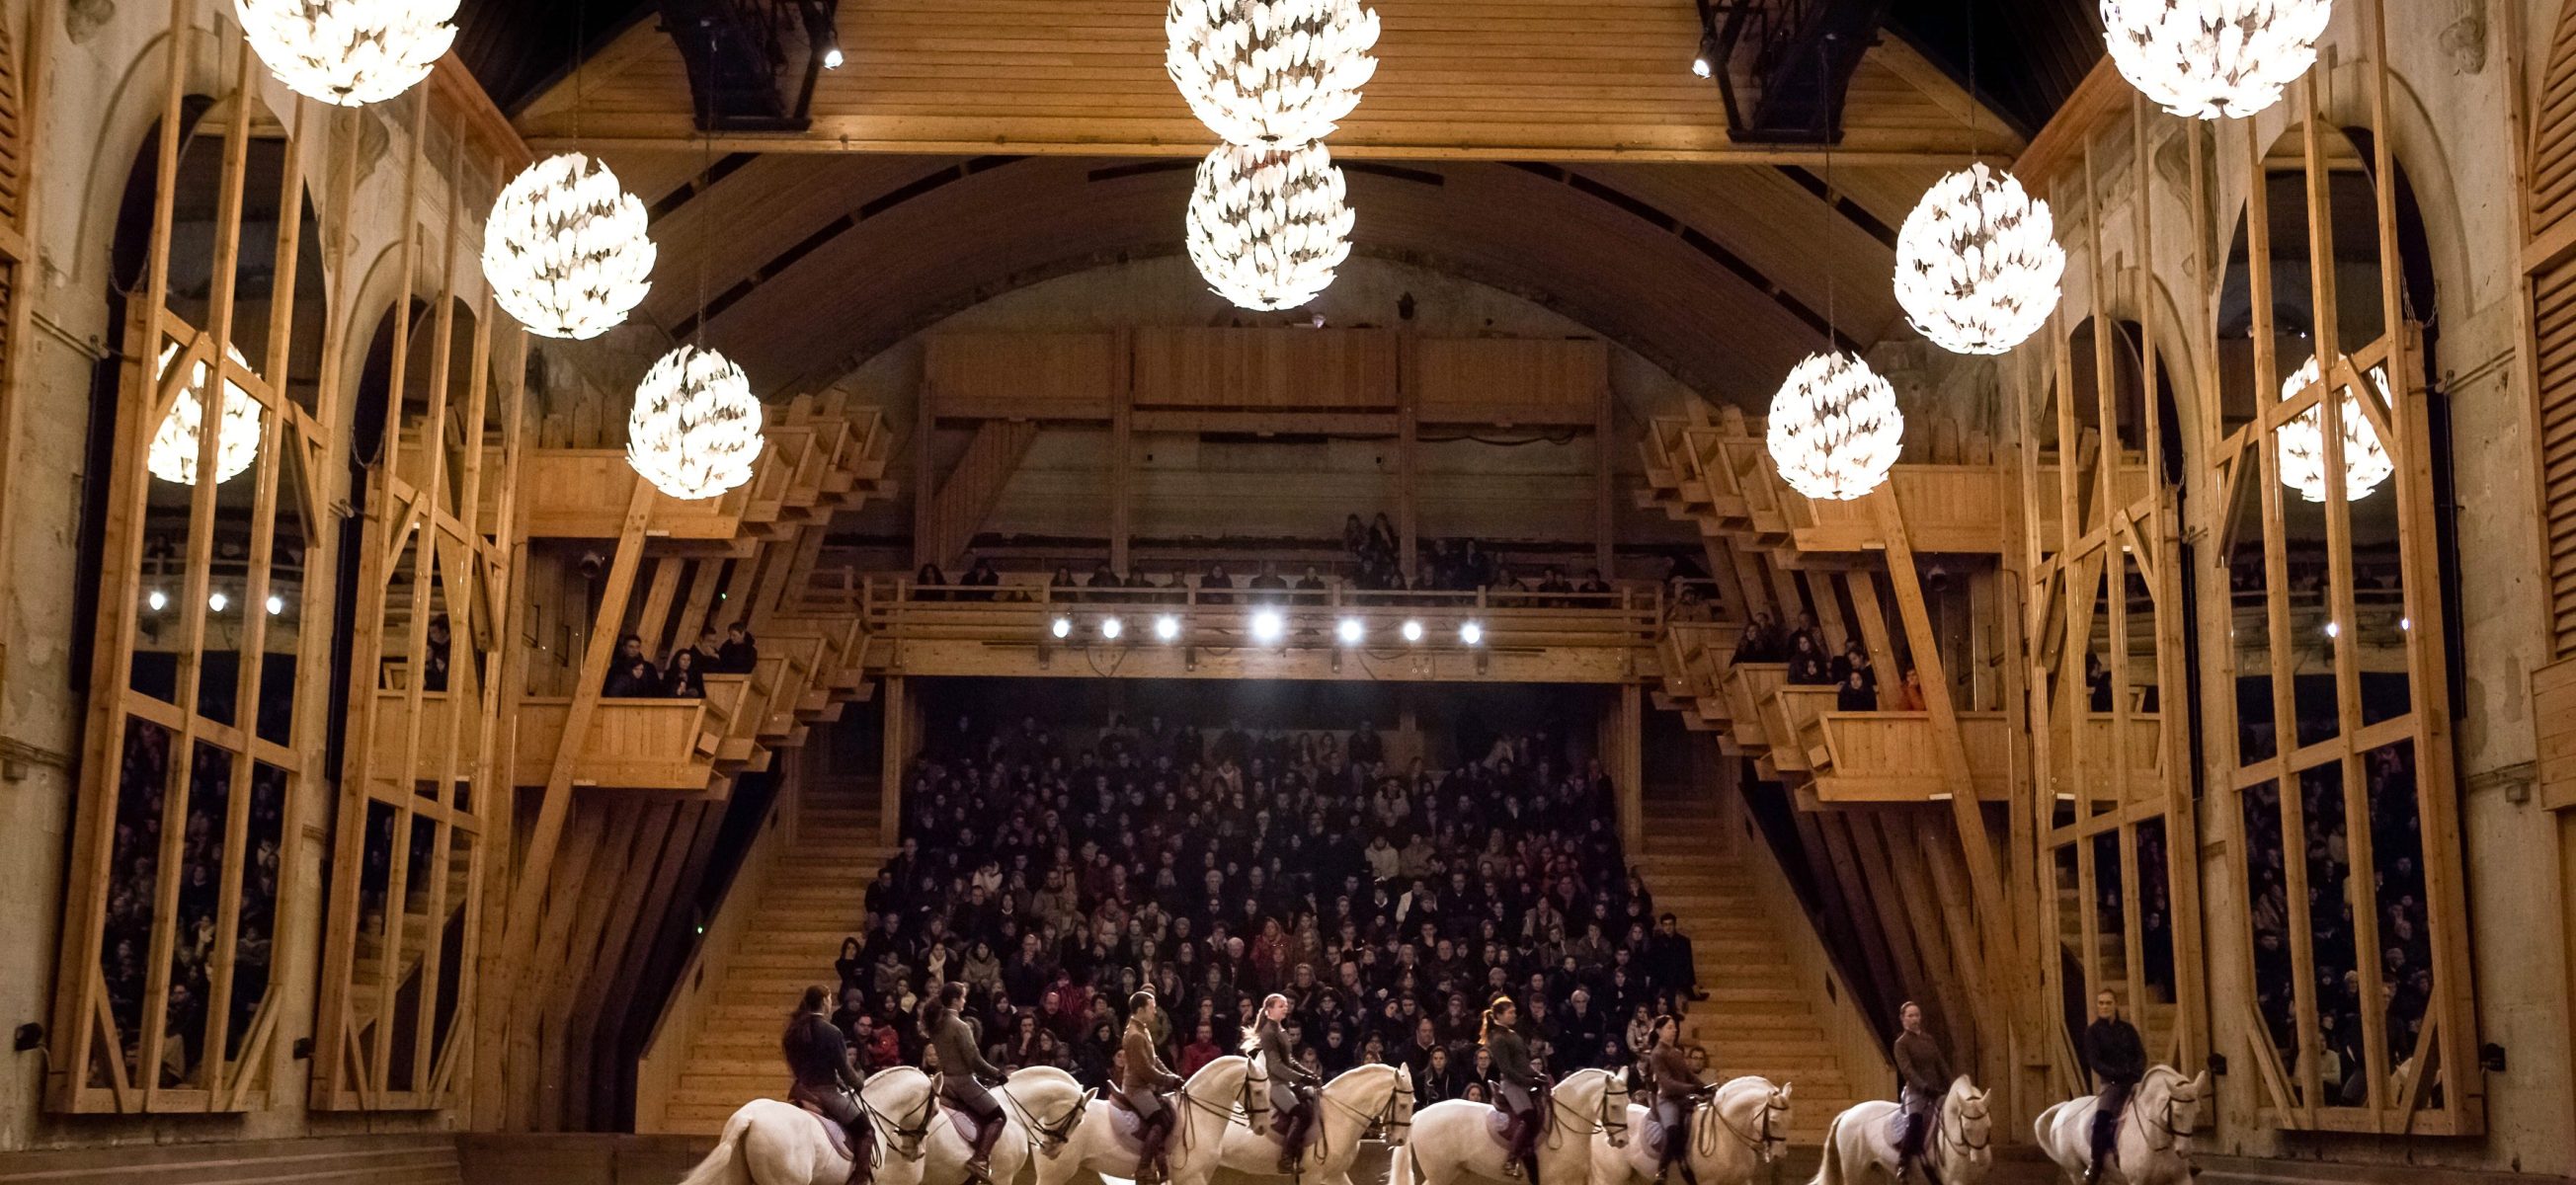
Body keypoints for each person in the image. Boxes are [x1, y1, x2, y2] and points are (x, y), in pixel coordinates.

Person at [783, 985, 875, 1185]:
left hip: (800, 1090)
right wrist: (859, 1084)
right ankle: (860, 1179)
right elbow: (844, 1069)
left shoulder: (793, 1030)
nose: (831, 1002)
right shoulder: (831, 1031)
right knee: (866, 1129)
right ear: (825, 1001)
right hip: (825, 1094)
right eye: (830, 998)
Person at [925, 982, 1008, 1182]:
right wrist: (998, 1074)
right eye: (963, 997)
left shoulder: (936, 1023)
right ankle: (979, 1159)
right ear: (955, 1000)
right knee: (998, 1117)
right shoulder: (959, 1025)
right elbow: (974, 1060)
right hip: (962, 1082)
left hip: (944, 1080)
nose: (964, 1001)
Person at [2082, 989, 2146, 1185]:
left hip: (2134, 1081)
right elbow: (2095, 1062)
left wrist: (2136, 1071)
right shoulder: (2092, 1032)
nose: (2104, 1006)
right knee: (2101, 1120)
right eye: (2101, 1003)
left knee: (2161, 1107)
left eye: (2108, 1003)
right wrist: (2117, 1073)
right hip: (2111, 1084)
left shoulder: (2128, 1029)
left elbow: (2141, 1054)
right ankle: (2095, 1164)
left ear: (2115, 1005)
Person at [1247, 991, 1318, 1171]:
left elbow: (1290, 1060)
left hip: (1286, 1081)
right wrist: (1302, 1078)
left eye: (1286, 1005)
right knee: (1302, 1114)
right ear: (1269, 1010)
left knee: (1311, 1101)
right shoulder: (1269, 1032)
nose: (1285, 1008)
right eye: (1281, 1005)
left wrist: (1309, 1074)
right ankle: (1286, 1159)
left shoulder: (1280, 1030)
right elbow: (1276, 1066)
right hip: (1275, 1083)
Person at [1123, 990, 1187, 1184]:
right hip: (1137, 1088)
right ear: (1141, 1009)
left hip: (1146, 1085)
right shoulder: (1134, 1035)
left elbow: (1155, 1059)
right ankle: (1143, 1168)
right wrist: (1169, 1081)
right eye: (1151, 1008)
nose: (1155, 1012)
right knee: (1161, 1120)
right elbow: (1146, 1071)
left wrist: (1172, 1075)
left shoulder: (1143, 1029)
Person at [1483, 995, 1543, 1181]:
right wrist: (1529, 1081)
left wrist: (1537, 1075)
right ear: (1499, 1016)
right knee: (1530, 1117)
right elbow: (1507, 1069)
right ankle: (1512, 1159)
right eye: (1510, 1012)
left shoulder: (1511, 1033)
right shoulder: (1498, 1037)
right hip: (1511, 1084)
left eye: (1514, 1011)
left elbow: (1523, 1063)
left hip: (1522, 1080)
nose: (1514, 1014)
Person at [1892, 1002, 1951, 1185]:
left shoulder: (1928, 1040)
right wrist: (1925, 1088)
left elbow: (1940, 1064)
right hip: (1916, 1092)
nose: (1915, 1019)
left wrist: (1952, 1084)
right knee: (1916, 1122)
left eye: (1917, 1015)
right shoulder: (1901, 1043)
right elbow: (1908, 1071)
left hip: (1936, 1090)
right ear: (1903, 1019)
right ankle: (1904, 1162)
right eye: (1910, 1016)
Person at [1645, 1014, 1700, 1185]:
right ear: (1660, 1031)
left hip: (1683, 1098)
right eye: (1670, 1027)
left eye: (1675, 1027)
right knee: (1672, 1130)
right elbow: (1667, 1084)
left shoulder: (1676, 1053)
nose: (1674, 1030)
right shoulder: (1657, 1054)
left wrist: (1707, 1087)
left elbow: (1690, 1076)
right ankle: (1662, 1171)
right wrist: (1693, 1089)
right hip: (1668, 1100)